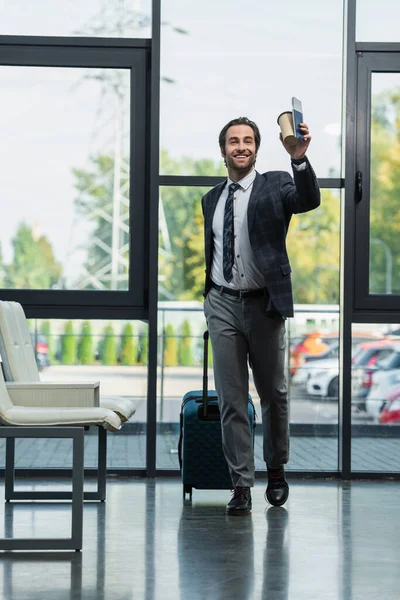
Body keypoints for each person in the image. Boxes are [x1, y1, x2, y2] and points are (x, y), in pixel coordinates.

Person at [202, 116, 320, 515]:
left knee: (274, 394)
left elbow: (306, 201)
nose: (241, 147)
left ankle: (275, 468)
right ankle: (240, 484)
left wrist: (299, 160)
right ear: (223, 150)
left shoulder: (274, 185)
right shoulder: (211, 199)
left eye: (248, 141)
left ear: (256, 147)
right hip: (221, 303)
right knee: (232, 400)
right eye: (233, 141)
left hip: (264, 304)